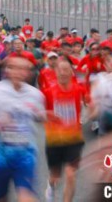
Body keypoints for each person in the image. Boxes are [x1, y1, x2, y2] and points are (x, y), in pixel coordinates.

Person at [0, 57, 46, 202]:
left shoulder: (35, 95)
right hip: (0, 156)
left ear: (28, 73)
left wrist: (43, 117)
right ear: (6, 71)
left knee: (26, 196)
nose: (18, 72)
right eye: (13, 68)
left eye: (23, 69)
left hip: (26, 154)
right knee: (0, 197)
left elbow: (38, 116)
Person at [43, 60, 88, 202]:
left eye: (66, 70)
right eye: (60, 70)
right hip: (54, 139)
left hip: (74, 139)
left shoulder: (79, 90)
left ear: (71, 72)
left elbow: (90, 103)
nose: (63, 73)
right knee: (55, 176)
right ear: (55, 72)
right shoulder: (48, 92)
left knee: (70, 174)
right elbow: (41, 113)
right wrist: (47, 115)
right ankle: (50, 185)